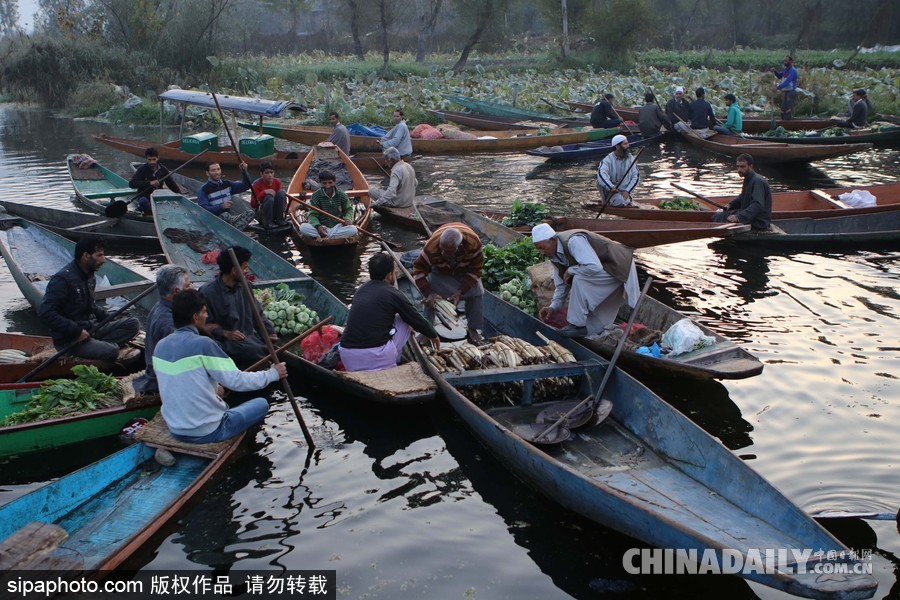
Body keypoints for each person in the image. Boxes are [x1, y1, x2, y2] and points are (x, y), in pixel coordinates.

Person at [153, 289, 287, 444]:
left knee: (219, 394)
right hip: (208, 431)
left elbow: (179, 381)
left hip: (175, 429)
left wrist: (212, 388)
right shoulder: (204, 344)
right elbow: (237, 381)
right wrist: (272, 374)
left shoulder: (160, 347)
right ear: (195, 318)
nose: (207, 316)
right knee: (261, 403)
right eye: (204, 312)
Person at [37, 236, 141, 361]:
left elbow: (90, 305)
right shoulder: (62, 280)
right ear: (86, 256)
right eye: (99, 255)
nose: (104, 260)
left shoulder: (90, 276)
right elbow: (46, 312)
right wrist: (76, 331)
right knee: (112, 351)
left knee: (133, 323)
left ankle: (98, 344)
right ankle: (102, 346)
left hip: (92, 328)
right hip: (71, 339)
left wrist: (108, 317)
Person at [531, 223, 639, 338]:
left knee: (579, 278)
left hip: (617, 265)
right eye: (538, 249)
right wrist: (553, 307)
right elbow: (561, 285)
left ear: (553, 240)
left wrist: (571, 270)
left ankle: (577, 325)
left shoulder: (573, 241)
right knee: (597, 327)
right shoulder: (554, 256)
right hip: (604, 270)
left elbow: (594, 266)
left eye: (542, 248)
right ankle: (590, 334)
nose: (541, 252)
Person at [339, 253, 440, 372]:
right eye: (394, 272)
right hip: (376, 357)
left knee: (394, 315)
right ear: (389, 275)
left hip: (347, 356)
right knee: (404, 319)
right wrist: (433, 335)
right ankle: (393, 362)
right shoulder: (393, 294)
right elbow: (415, 318)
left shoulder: (360, 291)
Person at [198, 246, 277, 370]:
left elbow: (258, 314)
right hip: (224, 344)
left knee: (268, 349)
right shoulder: (207, 293)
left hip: (247, 339)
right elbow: (202, 326)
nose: (247, 271)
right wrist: (225, 333)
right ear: (235, 270)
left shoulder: (245, 286)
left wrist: (270, 333)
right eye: (245, 268)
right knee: (254, 351)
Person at [413, 223, 485, 344]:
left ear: (459, 247)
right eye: (441, 249)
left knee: (477, 292)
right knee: (431, 297)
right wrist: (429, 293)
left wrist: (460, 292)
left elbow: (476, 269)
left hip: (464, 268)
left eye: (447, 251)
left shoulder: (473, 244)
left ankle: (473, 328)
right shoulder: (431, 248)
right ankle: (426, 330)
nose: (443, 253)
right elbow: (418, 270)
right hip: (440, 270)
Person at [132, 265, 191, 395]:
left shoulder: (162, 307)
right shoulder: (168, 323)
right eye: (187, 286)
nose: (191, 289)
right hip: (163, 380)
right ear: (176, 291)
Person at [712, 153, 773, 232]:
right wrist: (730, 205)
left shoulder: (757, 181)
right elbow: (742, 197)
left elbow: (757, 204)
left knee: (720, 217)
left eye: (742, 167)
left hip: (758, 221)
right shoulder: (748, 179)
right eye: (738, 166)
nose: (739, 170)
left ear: (750, 166)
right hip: (751, 216)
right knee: (719, 215)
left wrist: (738, 217)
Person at [296, 170, 359, 239]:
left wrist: (348, 219)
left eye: (330, 183)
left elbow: (349, 210)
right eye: (324, 183)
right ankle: (332, 236)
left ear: (334, 182)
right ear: (320, 183)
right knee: (303, 227)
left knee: (353, 229)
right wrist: (318, 226)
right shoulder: (316, 195)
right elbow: (312, 214)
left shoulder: (342, 195)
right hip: (322, 226)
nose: (328, 186)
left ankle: (326, 236)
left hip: (338, 226)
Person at [197, 162, 257, 230]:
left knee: (250, 213)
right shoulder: (204, 190)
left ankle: (234, 230)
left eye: (218, 169)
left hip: (228, 218)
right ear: (207, 173)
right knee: (224, 215)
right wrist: (221, 207)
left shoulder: (227, 184)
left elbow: (246, 186)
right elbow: (203, 210)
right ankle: (234, 230)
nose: (217, 172)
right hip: (213, 221)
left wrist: (244, 171)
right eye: (213, 170)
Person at [128, 147, 182, 215]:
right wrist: (149, 183)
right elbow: (132, 184)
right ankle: (148, 211)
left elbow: (171, 184)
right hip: (145, 196)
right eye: (149, 160)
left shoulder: (163, 170)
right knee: (143, 201)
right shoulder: (142, 169)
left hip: (158, 197)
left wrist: (180, 195)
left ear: (158, 158)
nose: (152, 162)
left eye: (154, 159)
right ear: (146, 159)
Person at [596, 135, 640, 207]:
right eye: (625, 144)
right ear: (617, 146)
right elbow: (601, 175)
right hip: (612, 192)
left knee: (622, 201)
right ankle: (608, 202)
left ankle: (626, 201)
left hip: (626, 192)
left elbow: (636, 176)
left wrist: (627, 191)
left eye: (627, 143)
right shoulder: (607, 160)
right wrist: (611, 187)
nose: (628, 146)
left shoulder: (630, 158)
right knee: (619, 202)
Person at [250, 161, 288, 230]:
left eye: (271, 172)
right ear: (261, 174)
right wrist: (264, 192)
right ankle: (268, 223)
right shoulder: (256, 184)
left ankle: (279, 219)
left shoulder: (277, 182)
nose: (270, 175)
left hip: (273, 210)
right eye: (267, 173)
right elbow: (253, 204)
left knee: (282, 192)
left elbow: (280, 198)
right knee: (269, 198)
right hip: (262, 214)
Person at [772, 55, 798, 120]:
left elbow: (787, 82)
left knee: (788, 109)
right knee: (783, 109)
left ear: (790, 61)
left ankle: (789, 123)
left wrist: (777, 87)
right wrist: (775, 71)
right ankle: (783, 122)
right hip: (785, 91)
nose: (785, 62)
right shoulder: (785, 70)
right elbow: (779, 76)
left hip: (790, 92)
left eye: (786, 61)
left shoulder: (793, 71)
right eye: (784, 61)